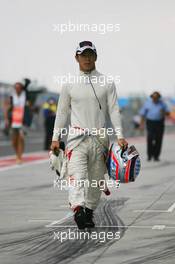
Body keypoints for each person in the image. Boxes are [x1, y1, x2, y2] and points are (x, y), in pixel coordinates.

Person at [51, 41, 128, 229]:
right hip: (76, 139)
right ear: (76, 57)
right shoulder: (69, 83)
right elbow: (61, 112)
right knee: (77, 176)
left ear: (96, 57)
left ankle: (89, 211)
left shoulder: (107, 82)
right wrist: (55, 138)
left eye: (90, 54)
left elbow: (114, 110)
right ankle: (78, 209)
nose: (87, 58)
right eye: (83, 55)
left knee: (96, 180)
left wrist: (120, 135)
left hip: (100, 138)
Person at [139, 91, 170, 161]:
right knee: (150, 138)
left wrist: (164, 112)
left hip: (159, 123)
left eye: (156, 98)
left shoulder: (162, 104)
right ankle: (150, 155)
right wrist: (141, 124)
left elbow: (168, 113)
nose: (155, 99)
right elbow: (142, 114)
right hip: (150, 122)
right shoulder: (147, 103)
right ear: (151, 97)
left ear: (159, 98)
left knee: (158, 139)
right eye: (153, 97)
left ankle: (156, 156)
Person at [4, 82, 26, 164]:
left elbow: (28, 106)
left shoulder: (25, 96)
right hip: (13, 121)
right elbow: (6, 108)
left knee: (20, 138)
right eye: (16, 88)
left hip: (22, 121)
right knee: (14, 141)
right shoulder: (11, 97)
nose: (17, 89)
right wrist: (6, 119)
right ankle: (17, 154)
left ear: (21, 88)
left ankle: (19, 157)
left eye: (19, 87)